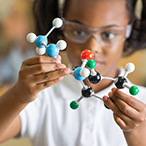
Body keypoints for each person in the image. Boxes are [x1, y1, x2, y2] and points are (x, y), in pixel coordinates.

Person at [0, 0, 146, 146]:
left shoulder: (142, 103)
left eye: (108, 34)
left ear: (131, 32)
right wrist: (18, 96)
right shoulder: (41, 96)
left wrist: (138, 135)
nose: (91, 48)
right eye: (79, 31)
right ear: (61, 30)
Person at [0, 0, 36, 86]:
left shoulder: (38, 57)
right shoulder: (9, 53)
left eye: (14, 16)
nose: (5, 21)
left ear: (30, 22)